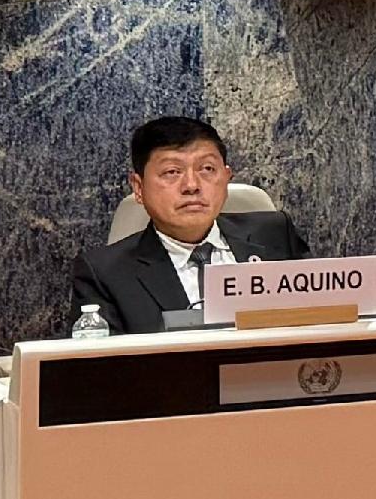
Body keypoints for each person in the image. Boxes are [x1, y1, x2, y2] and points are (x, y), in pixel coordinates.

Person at [74, 115, 310, 335]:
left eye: (207, 169)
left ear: (226, 177)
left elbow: (324, 319)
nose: (191, 185)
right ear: (138, 187)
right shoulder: (104, 274)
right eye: (172, 172)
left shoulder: (275, 234)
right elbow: (99, 370)